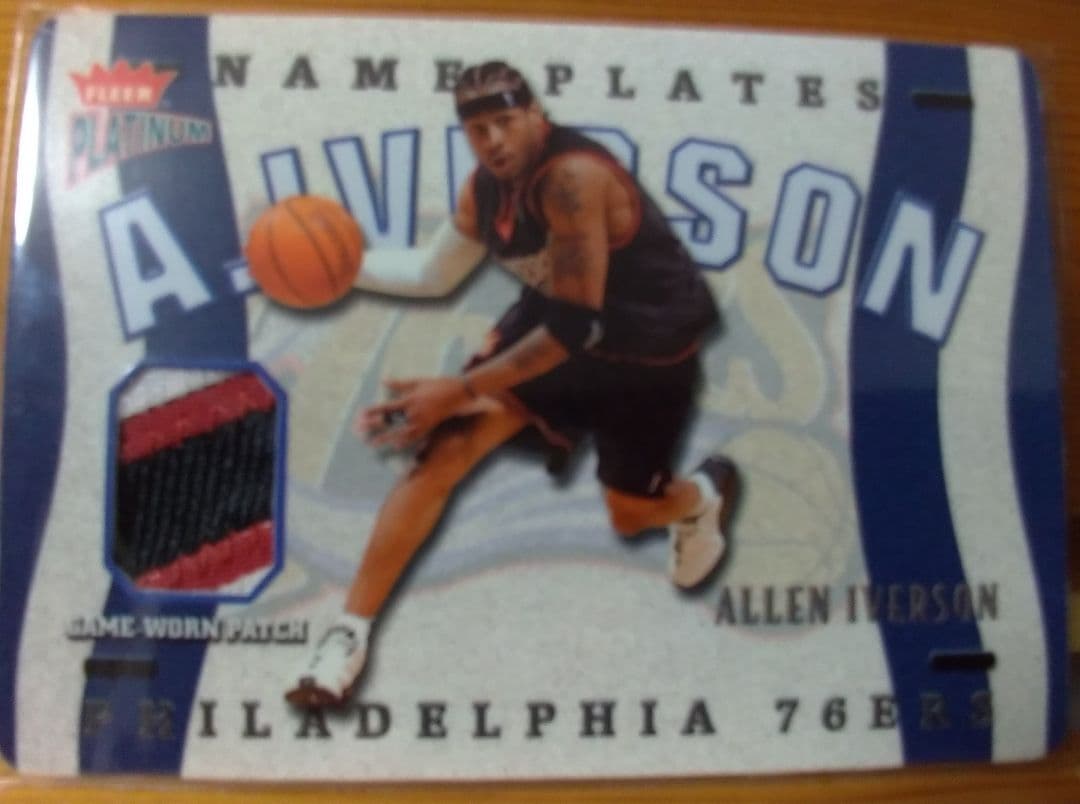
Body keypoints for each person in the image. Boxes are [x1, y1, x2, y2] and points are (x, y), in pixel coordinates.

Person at [285, 61, 740, 707]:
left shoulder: (573, 178)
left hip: (646, 355)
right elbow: (435, 274)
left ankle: (699, 499)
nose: (493, 140)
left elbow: (576, 329)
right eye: (478, 130)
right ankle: (347, 637)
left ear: (535, 115)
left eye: (504, 121)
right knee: (445, 450)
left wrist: (457, 389)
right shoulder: (485, 191)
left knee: (631, 513)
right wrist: (336, 267)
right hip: (557, 324)